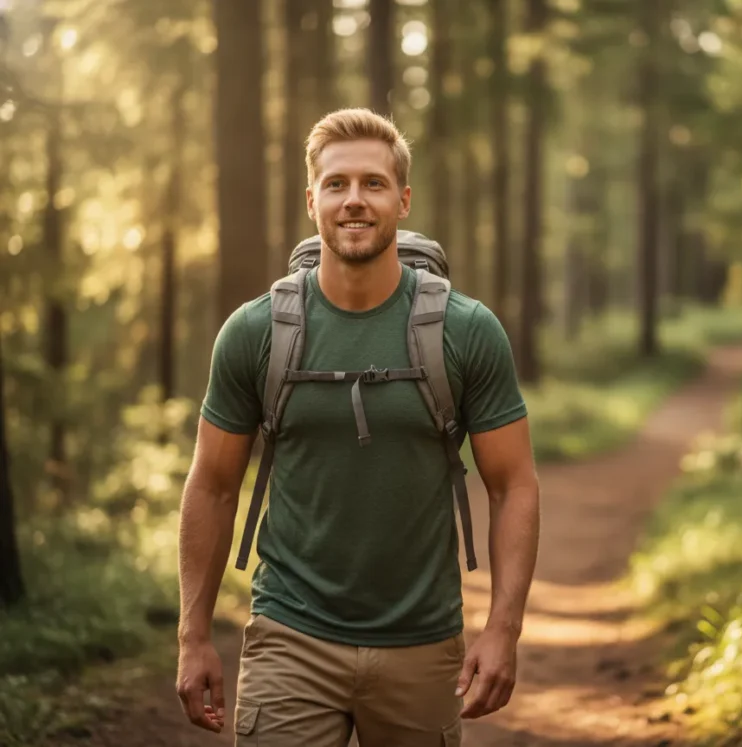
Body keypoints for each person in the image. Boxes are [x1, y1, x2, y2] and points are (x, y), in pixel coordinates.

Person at [175, 107, 541, 746]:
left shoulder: (466, 331)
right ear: (311, 198)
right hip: (289, 634)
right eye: (337, 184)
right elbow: (211, 486)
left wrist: (503, 630)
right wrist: (193, 636)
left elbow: (514, 486)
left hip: (422, 644)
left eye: (373, 184)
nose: (354, 201)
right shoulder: (255, 333)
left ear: (402, 200)